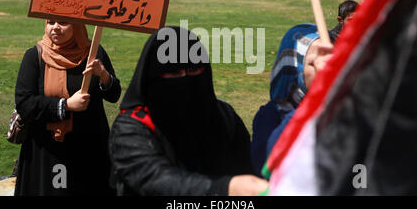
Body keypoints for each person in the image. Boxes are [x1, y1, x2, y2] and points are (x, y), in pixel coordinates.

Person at [108, 26, 268, 196]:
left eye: (193, 70)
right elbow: (154, 178)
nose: (185, 80)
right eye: (175, 72)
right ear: (152, 76)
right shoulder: (131, 127)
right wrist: (222, 188)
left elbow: (246, 168)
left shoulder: (224, 115)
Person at [14, 20, 121, 195]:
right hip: (47, 153)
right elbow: (24, 103)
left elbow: (113, 95)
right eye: (50, 22)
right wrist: (66, 105)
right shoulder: (34, 56)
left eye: (63, 23)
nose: (55, 27)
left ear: (77, 26)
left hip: (89, 152)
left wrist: (103, 75)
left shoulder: (94, 52)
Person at [251, 24, 334, 176]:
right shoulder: (271, 115)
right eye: (312, 62)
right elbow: (266, 166)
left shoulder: (341, 106)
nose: (324, 66)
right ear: (296, 69)